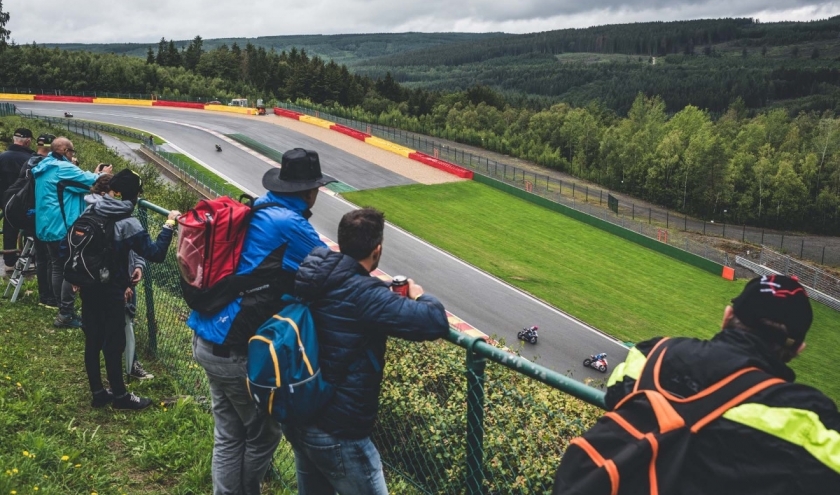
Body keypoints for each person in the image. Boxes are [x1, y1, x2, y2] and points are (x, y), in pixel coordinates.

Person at [554, 275, 840, 494]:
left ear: (728, 315)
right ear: (798, 349)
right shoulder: (809, 417)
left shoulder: (653, 353)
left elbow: (616, 393)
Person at [188, 148, 336, 495]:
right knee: (264, 433)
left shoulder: (257, 208)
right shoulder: (291, 224)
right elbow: (331, 271)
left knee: (228, 433)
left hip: (206, 336)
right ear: (309, 190)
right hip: (235, 351)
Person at [285, 207, 450, 495]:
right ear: (377, 250)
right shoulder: (367, 296)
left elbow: (348, 290)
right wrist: (419, 294)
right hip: (340, 431)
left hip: (302, 415)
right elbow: (435, 322)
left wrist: (380, 287)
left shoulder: (315, 270)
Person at [80, 170, 178, 410]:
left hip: (88, 283)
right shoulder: (128, 221)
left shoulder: (91, 208)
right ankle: (121, 397)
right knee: (114, 344)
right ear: (134, 197)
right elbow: (155, 253)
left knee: (93, 340)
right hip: (111, 288)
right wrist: (169, 223)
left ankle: (98, 393)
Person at [32, 137, 112, 327]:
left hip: (47, 225)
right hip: (62, 226)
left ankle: (61, 307)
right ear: (66, 151)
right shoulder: (63, 168)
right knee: (68, 269)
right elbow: (93, 183)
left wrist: (93, 174)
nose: (73, 156)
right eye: (72, 151)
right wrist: (103, 174)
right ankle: (65, 313)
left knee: (56, 265)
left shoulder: (47, 165)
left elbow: (75, 183)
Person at [0, 127, 35, 271]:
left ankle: (9, 262)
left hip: (5, 202)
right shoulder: (31, 159)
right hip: (25, 202)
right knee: (29, 229)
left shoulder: (2, 157)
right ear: (27, 141)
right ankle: (29, 260)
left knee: (9, 228)